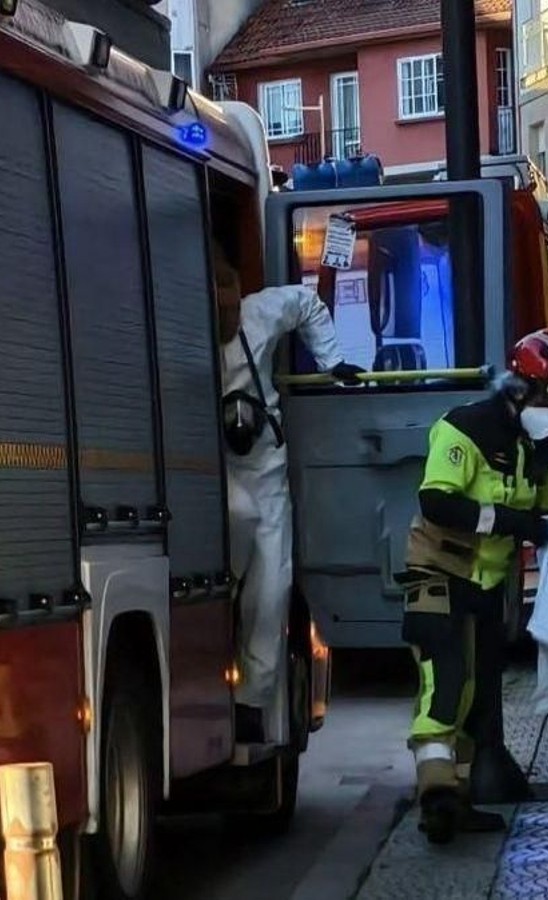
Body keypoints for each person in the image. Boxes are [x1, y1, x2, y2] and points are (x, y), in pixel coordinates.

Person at [402, 327, 548, 844]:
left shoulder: (540, 447)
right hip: (439, 573)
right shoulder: (464, 428)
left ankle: (455, 802)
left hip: (487, 586)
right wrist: (508, 520)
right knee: (446, 685)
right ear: (519, 389)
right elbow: (437, 502)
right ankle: (436, 794)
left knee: (474, 693)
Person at [214, 251, 363, 742]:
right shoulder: (181, 328)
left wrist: (332, 360)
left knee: (273, 587)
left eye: (235, 308)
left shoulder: (261, 311)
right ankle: (226, 607)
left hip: (263, 464)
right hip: (217, 470)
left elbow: (307, 303)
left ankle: (252, 701)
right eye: (222, 312)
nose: (231, 318)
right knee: (236, 525)